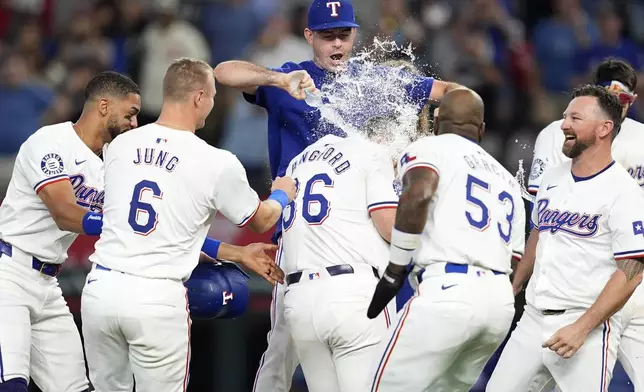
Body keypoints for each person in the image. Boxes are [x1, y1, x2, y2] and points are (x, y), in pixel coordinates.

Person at [214, 1, 462, 389]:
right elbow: (223, 72)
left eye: (343, 35)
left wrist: (436, 132)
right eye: (327, 35)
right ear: (309, 36)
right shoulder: (290, 80)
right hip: (303, 239)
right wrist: (279, 80)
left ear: (354, 35)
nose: (337, 44)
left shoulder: (376, 80)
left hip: (356, 239)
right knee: (282, 357)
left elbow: (453, 93)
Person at [80, 57, 295, 392]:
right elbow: (262, 220)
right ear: (198, 97)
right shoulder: (216, 161)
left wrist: (236, 253)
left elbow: (162, 230)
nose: (212, 104)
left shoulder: (119, 145)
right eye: (210, 96)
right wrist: (282, 194)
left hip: (100, 291)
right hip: (155, 297)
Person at [367, 88, 526, 391]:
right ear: (481, 129)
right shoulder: (507, 178)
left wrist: (395, 269)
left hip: (448, 291)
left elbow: (419, 194)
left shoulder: (431, 147)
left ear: (436, 121)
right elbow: (515, 260)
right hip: (498, 306)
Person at [487, 85, 644, 391]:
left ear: (604, 128)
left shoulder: (623, 191)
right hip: (532, 319)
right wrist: (515, 285)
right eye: (564, 116)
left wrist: (582, 328)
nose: (564, 125)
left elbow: (633, 269)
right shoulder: (553, 177)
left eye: (575, 117)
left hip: (586, 325)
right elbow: (538, 233)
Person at [0, 71, 141, 392]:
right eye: (130, 114)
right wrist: (114, 223)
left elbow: (142, 224)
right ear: (104, 106)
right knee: (11, 384)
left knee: (75, 388)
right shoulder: (51, 141)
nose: (134, 124)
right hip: (7, 273)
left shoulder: (115, 164)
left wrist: (220, 251)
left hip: (48, 284)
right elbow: (63, 211)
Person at [280, 132, 398, 392]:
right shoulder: (373, 151)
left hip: (300, 300)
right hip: (352, 296)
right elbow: (390, 227)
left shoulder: (297, 162)